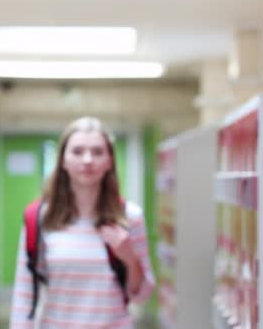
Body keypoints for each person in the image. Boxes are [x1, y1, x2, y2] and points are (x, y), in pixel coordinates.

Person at [9, 117, 155, 328]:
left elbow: (142, 295)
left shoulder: (129, 217)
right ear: (63, 161)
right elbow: (24, 294)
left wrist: (130, 258)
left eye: (97, 152)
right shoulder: (40, 218)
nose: (87, 160)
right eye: (77, 151)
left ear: (109, 161)